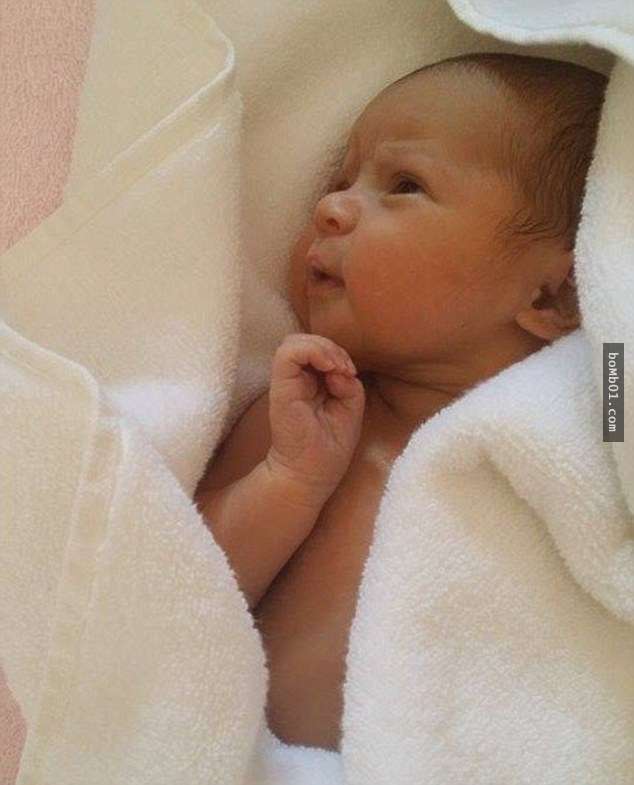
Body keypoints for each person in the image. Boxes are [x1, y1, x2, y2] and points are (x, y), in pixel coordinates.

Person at [194, 51, 607, 751]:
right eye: (340, 181)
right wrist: (289, 484)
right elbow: (182, 580)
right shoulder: (304, 419)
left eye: (404, 185)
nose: (328, 207)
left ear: (554, 293)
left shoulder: (591, 424)